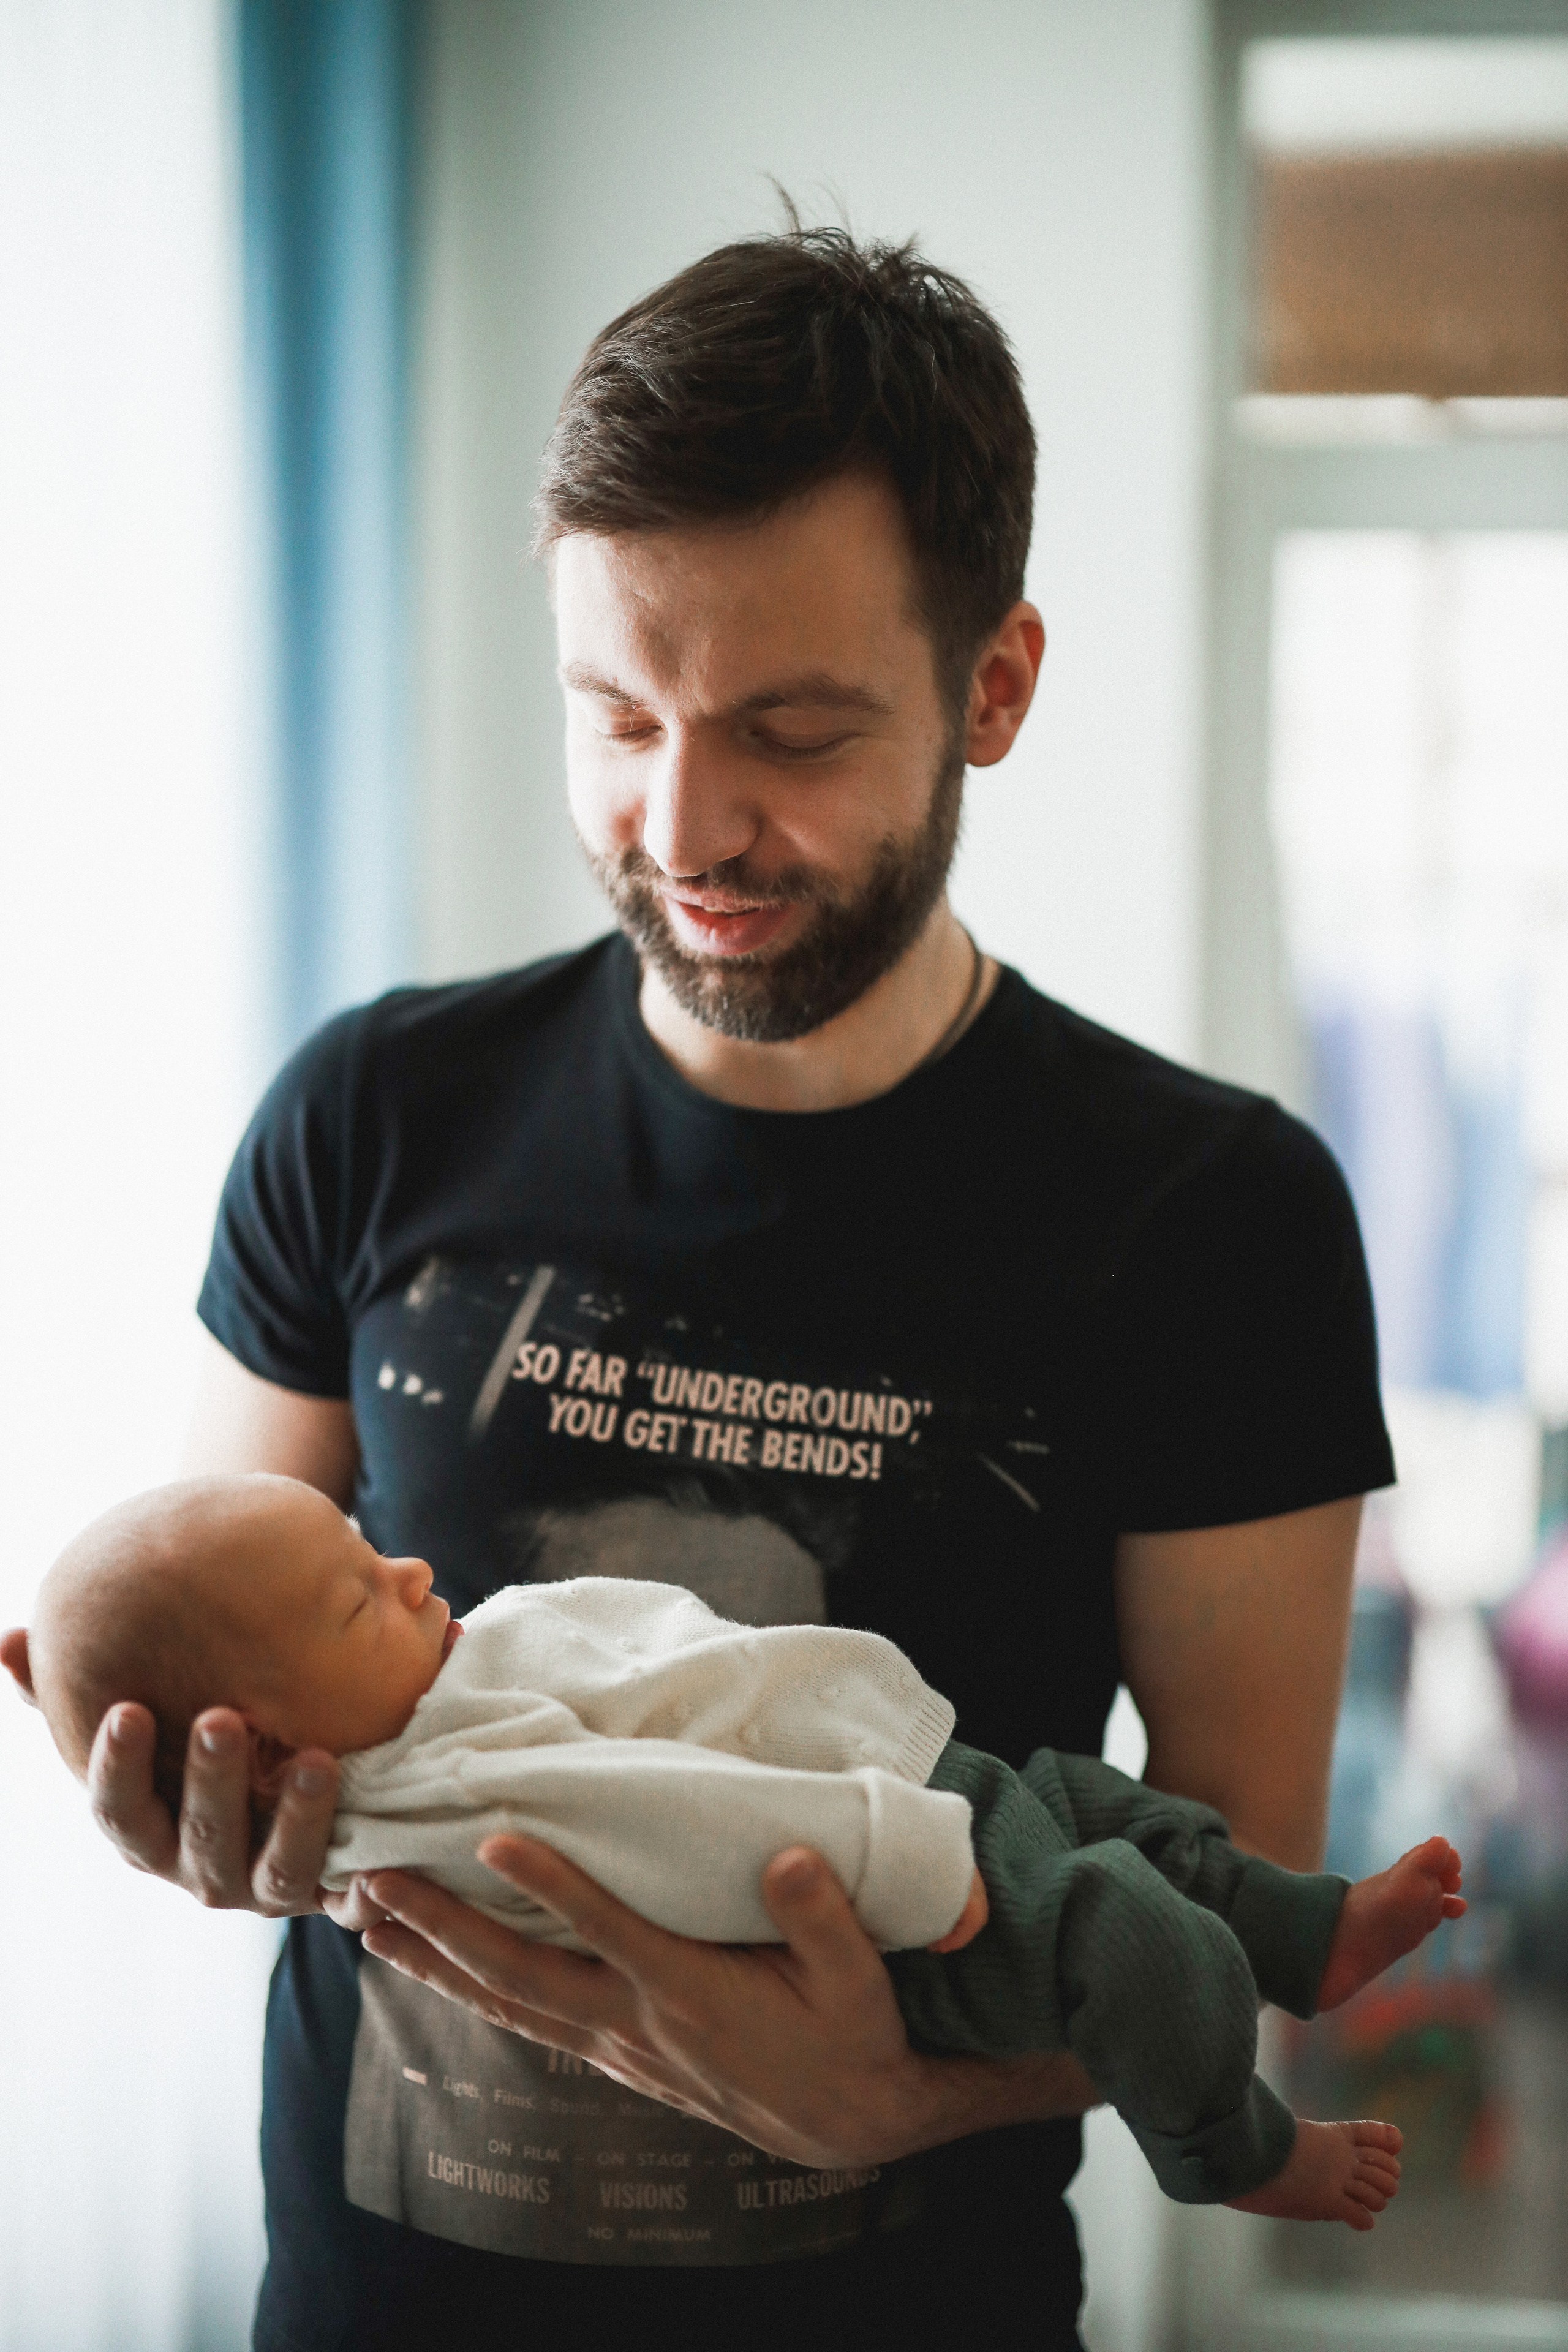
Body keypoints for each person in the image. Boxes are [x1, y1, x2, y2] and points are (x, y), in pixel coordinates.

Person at [1, 225, 1396, 2349]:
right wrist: (195, 1817)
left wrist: (909, 2093)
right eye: (618, 713)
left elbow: (1234, 1887)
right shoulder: (371, 1111)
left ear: (993, 686)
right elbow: (218, 1661)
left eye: (795, 731)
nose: (687, 825)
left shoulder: (1213, 1217)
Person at [24, 1472, 1453, 2233]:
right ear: (271, 1753)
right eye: (356, 1604)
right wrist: (909, 1862)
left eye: (364, 1542)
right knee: (1126, 1935)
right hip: (904, 1902)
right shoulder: (461, 1787)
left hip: (924, 1786)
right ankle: (1229, 2148)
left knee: (1128, 1821)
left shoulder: (432, 1680)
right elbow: (682, 1818)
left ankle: (1304, 1933)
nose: (406, 1570)